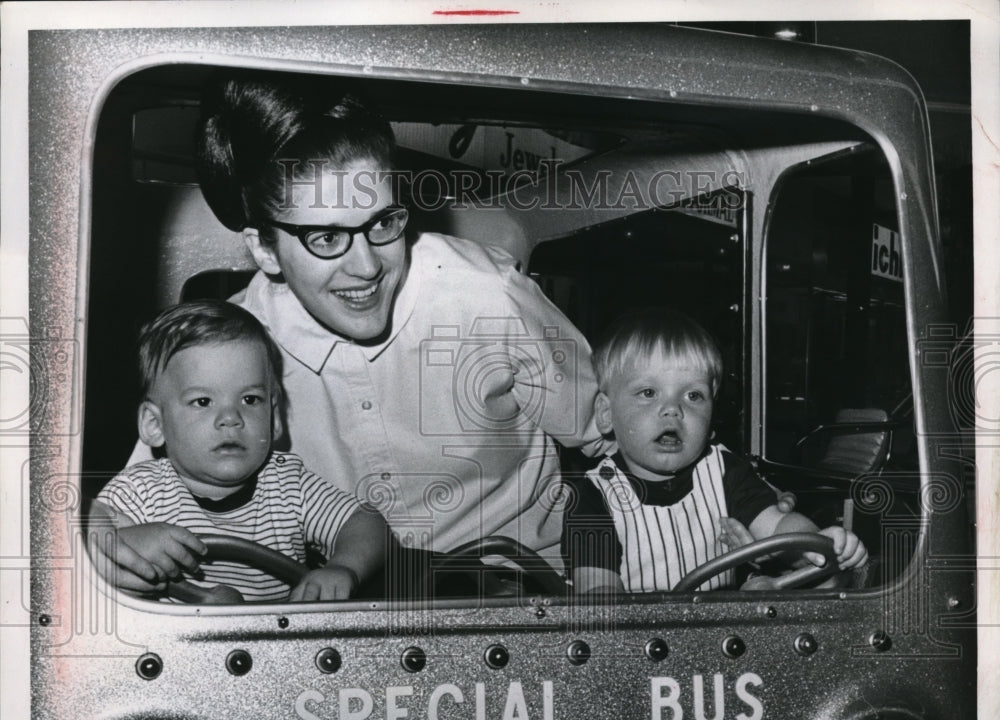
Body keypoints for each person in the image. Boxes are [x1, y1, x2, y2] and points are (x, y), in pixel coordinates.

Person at [108, 72, 607, 594]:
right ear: (263, 249)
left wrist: (602, 580)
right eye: (326, 237)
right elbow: (123, 510)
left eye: (382, 222)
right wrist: (117, 547)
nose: (367, 266)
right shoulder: (224, 351)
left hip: (527, 599)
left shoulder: (487, 294)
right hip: (343, 623)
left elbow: (614, 449)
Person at [93, 300, 388, 603]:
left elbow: (366, 522)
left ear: (274, 419)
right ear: (155, 424)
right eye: (203, 402)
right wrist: (122, 543)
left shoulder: (287, 485)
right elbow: (78, 528)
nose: (231, 418)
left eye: (250, 399)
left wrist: (344, 567)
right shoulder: (140, 492)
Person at [561, 308, 868, 594]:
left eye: (694, 395)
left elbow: (776, 524)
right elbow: (599, 595)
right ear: (605, 413)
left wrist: (816, 542)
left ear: (711, 420)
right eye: (648, 392)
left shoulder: (724, 472)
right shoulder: (591, 497)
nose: (672, 409)